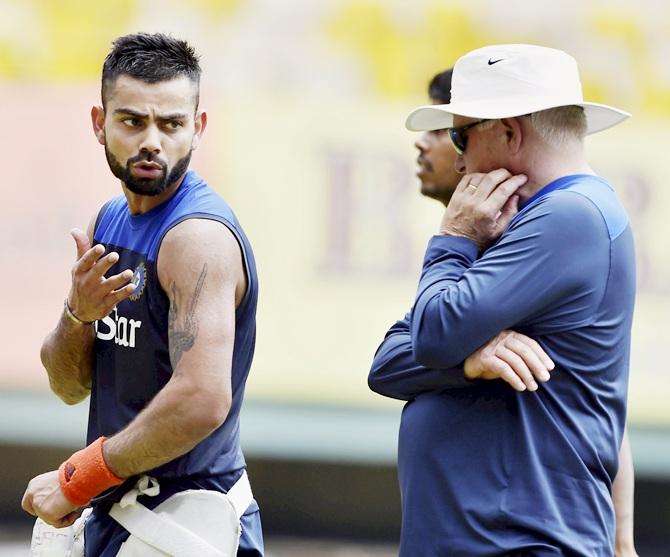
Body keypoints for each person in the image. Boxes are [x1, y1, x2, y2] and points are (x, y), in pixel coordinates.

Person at [369, 45, 637, 556]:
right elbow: (386, 363)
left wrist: (453, 237)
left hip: (521, 543)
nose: (460, 155)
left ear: (510, 132)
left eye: (459, 134)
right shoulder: (529, 221)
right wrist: (468, 361)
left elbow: (431, 333)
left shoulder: (569, 215)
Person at [22, 33, 264, 556]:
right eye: (132, 121)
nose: (152, 140)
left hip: (188, 517)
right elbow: (68, 386)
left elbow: (202, 400)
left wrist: (73, 481)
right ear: (99, 123)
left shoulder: (197, 238)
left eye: (171, 123)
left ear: (197, 128)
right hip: (116, 511)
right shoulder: (107, 223)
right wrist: (77, 316)